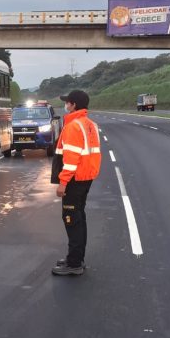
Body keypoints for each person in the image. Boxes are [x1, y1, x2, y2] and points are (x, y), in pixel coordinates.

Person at [52, 90, 102, 276]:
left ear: (73, 105)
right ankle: (76, 257)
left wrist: (63, 182)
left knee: (71, 219)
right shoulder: (90, 125)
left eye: (67, 103)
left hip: (74, 180)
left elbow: (71, 159)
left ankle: (74, 264)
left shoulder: (73, 126)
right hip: (86, 178)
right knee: (79, 218)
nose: (65, 105)